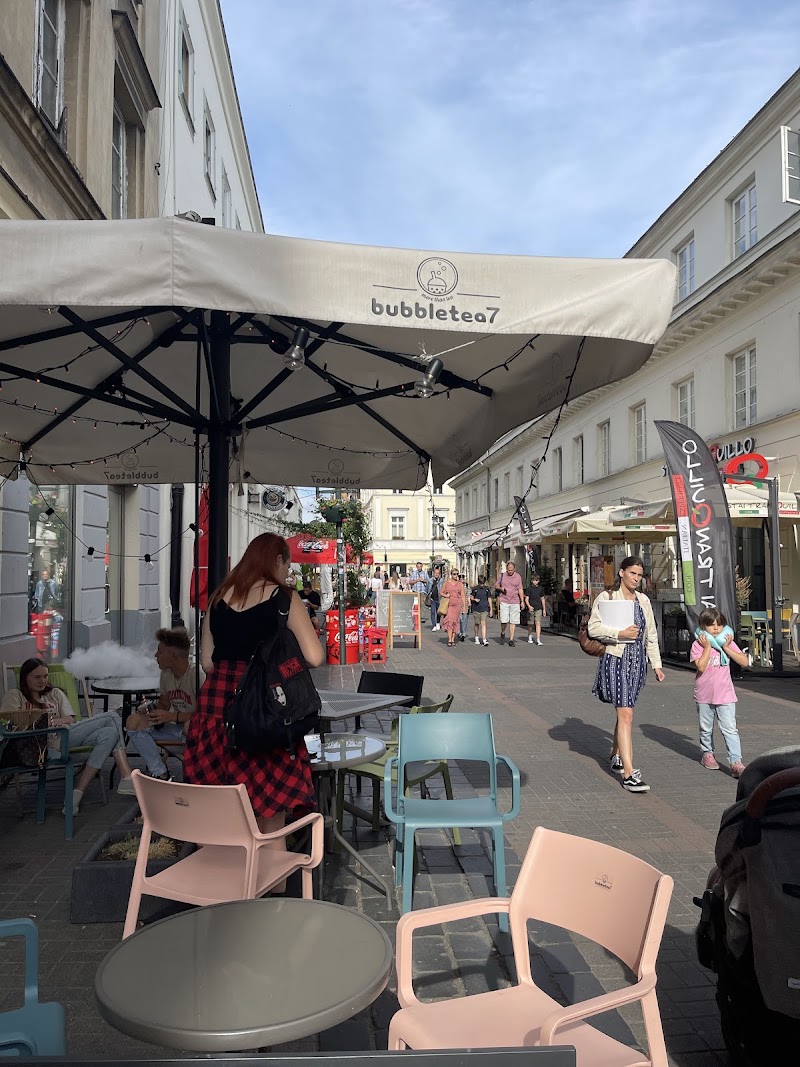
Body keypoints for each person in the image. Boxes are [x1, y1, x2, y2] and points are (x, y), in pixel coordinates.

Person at [184, 533, 324, 851]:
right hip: (264, 711)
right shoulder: (284, 598)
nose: (287, 573)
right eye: (287, 566)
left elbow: (207, 662)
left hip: (216, 708)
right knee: (270, 817)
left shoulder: (219, 598)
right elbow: (315, 657)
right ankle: (270, 880)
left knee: (220, 811)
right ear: (277, 560)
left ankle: (220, 876)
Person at [0, 657, 136, 815]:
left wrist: (47, 722)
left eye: (45, 676)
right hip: (40, 746)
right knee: (111, 717)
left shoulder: (54, 693)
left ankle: (77, 792)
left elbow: (69, 719)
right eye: (37, 677)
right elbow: (11, 723)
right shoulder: (15, 695)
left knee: (110, 732)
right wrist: (46, 723)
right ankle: (125, 776)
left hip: (65, 737)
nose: (42, 681)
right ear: (25, 677)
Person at [587, 556, 665, 793]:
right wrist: (619, 634)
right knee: (626, 713)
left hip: (637, 662)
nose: (636, 578)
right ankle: (629, 774)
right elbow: (593, 627)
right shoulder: (607, 597)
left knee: (625, 712)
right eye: (632, 573)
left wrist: (656, 664)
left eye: (639, 575)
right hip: (616, 659)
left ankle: (615, 753)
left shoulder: (643, 600)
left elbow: (651, 633)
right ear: (621, 572)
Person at [125, 627, 203, 780]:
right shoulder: (166, 674)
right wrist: (151, 710)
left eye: (160, 651)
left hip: (195, 734)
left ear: (173, 656)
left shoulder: (197, 675)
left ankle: (192, 774)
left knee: (188, 726)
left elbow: (203, 714)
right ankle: (160, 772)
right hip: (174, 730)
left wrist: (171, 716)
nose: (156, 655)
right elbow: (164, 704)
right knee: (133, 720)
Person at [691, 607, 749, 778]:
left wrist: (727, 648)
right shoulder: (698, 644)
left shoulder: (727, 642)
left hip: (725, 694)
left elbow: (744, 662)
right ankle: (708, 754)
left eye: (719, 624)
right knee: (706, 727)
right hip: (705, 693)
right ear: (703, 626)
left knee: (730, 728)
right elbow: (701, 666)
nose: (716, 628)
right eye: (711, 625)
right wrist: (707, 647)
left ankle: (736, 762)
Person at [495, 561, 525, 646]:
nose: (510, 572)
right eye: (509, 570)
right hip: (504, 600)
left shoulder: (518, 577)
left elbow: (520, 589)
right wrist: (501, 589)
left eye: (511, 570)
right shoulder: (502, 575)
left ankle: (511, 639)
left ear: (514, 569)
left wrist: (522, 601)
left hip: (515, 601)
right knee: (504, 620)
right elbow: (496, 586)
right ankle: (503, 632)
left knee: (513, 621)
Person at [440, 569, 466, 648]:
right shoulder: (446, 583)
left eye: (457, 574)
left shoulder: (460, 584)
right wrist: (446, 595)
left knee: (455, 621)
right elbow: (441, 592)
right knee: (449, 621)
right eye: (454, 574)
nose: (456, 576)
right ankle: (449, 639)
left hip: (457, 604)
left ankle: (452, 638)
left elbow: (463, 595)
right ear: (451, 574)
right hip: (449, 604)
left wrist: (464, 606)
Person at [524, 574, 548, 645]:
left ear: (538, 581)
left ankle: (538, 639)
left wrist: (544, 609)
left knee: (538, 623)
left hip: (538, 608)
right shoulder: (529, 589)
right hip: (531, 608)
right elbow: (526, 599)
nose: (535, 582)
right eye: (534, 580)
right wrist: (529, 606)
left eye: (536, 580)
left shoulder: (540, 589)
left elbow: (542, 599)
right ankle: (529, 634)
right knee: (531, 624)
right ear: (531, 581)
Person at [470, 574, 493, 646]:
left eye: (483, 583)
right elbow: (471, 596)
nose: (482, 585)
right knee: (477, 623)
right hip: (476, 609)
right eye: (480, 583)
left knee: (483, 623)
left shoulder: (487, 589)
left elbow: (489, 598)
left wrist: (491, 609)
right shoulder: (475, 589)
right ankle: (476, 637)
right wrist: (474, 599)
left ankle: (484, 639)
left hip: (484, 609)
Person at [428, 565, 442, 631]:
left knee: (438, 612)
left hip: (439, 598)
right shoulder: (430, 580)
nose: (436, 574)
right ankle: (434, 625)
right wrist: (427, 596)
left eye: (438, 573)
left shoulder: (441, 580)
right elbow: (427, 589)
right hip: (432, 599)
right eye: (435, 573)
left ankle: (438, 622)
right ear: (433, 573)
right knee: (433, 612)